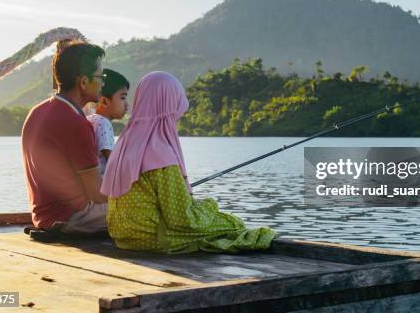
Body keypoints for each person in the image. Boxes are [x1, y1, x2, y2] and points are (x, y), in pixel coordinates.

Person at [101, 71, 277, 253]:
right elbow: (183, 220)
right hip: (150, 237)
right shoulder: (160, 153)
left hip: (122, 236)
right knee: (234, 223)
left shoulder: (124, 143)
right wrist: (210, 205)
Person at [21, 40, 108, 234]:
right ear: (84, 82)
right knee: (149, 209)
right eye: (100, 76)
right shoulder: (76, 124)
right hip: (75, 217)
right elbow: (97, 194)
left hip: (44, 217)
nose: (103, 82)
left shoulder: (37, 111)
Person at [87, 69, 129, 177]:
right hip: (101, 186)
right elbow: (112, 161)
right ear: (104, 101)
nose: (127, 104)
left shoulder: (91, 119)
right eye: (123, 98)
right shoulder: (104, 123)